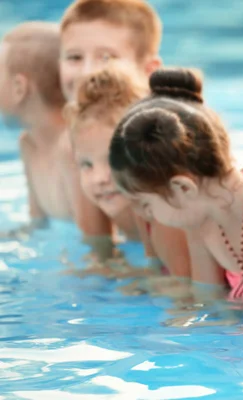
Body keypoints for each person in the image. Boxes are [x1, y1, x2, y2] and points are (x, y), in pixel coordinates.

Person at [108, 68, 243, 310]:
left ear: (183, 187)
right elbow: (209, 304)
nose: (143, 215)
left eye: (146, 204)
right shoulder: (202, 221)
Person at [65, 63, 190, 285]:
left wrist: (131, 280)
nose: (99, 178)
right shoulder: (109, 194)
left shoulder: (166, 215)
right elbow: (100, 253)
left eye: (112, 161)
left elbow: (184, 292)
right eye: (86, 164)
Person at [58, 0, 163, 257]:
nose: (87, 71)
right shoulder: (75, 144)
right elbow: (98, 248)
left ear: (150, 71)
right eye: (74, 57)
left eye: (106, 57)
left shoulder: (164, 140)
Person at [0, 22, 71, 234]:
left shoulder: (72, 150)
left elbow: (101, 245)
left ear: (19, 88)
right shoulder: (29, 145)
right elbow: (36, 227)